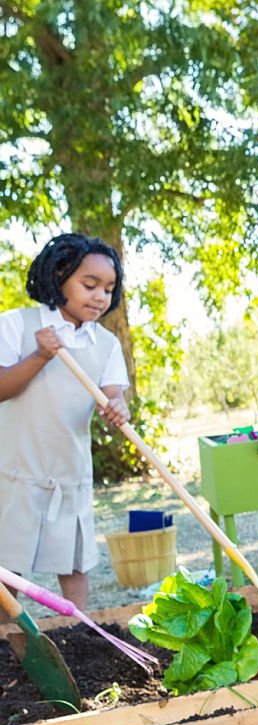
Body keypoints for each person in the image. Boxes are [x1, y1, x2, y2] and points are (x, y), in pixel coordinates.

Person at [0, 233, 130, 610]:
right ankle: (7, 643)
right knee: (9, 573)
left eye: (108, 289)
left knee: (75, 568)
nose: (99, 296)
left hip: (69, 472)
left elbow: (113, 395)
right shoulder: (17, 325)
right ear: (59, 276)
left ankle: (78, 634)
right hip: (16, 472)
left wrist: (117, 408)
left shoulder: (105, 344)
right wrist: (40, 355)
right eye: (89, 285)